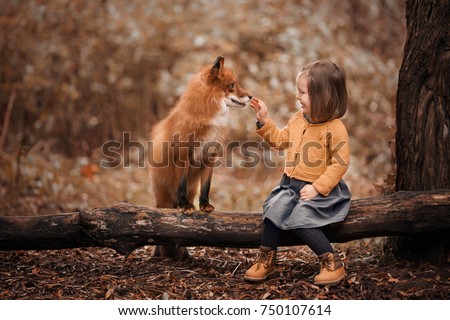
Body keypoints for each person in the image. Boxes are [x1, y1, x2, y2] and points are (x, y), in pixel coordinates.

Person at [245, 60, 351, 286]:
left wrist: (317, 188)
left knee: (302, 220)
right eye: (298, 91)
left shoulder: (335, 128)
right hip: (290, 186)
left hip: (320, 192)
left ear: (323, 97)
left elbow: (339, 164)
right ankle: (267, 259)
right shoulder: (297, 119)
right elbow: (281, 141)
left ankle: (332, 263)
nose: (297, 97)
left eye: (303, 93)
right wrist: (264, 121)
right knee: (273, 212)